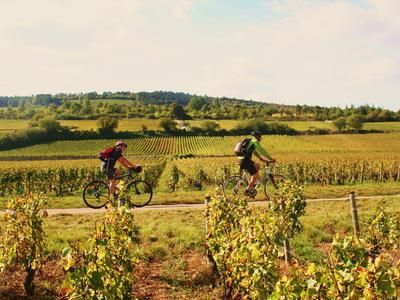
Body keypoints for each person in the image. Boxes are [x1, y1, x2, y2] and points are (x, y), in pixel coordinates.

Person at [238, 131, 276, 196]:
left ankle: (252, 183)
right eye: (260, 136)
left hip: (242, 159)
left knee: (257, 166)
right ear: (257, 136)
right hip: (246, 160)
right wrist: (270, 158)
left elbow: (255, 152)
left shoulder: (251, 141)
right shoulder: (255, 141)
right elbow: (262, 150)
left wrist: (262, 159)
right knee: (255, 176)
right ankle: (247, 190)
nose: (261, 138)